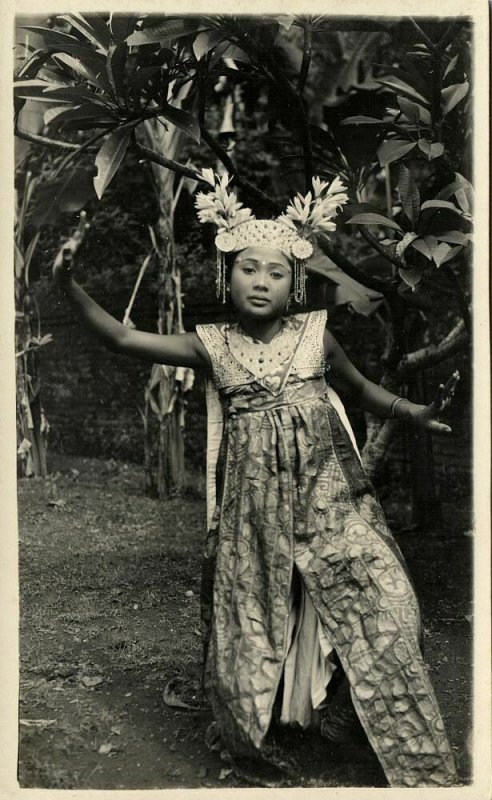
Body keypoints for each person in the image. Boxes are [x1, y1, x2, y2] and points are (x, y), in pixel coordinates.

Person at [52, 172, 459, 788]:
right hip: (254, 512)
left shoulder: (317, 335)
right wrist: (66, 283)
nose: (261, 281)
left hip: (330, 502)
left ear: (295, 282)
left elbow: (364, 390)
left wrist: (415, 412)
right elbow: (121, 336)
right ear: (227, 276)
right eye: (248, 269)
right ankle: (260, 734)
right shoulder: (210, 345)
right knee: (250, 622)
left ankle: (364, 725)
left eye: (274, 272)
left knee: (389, 601)